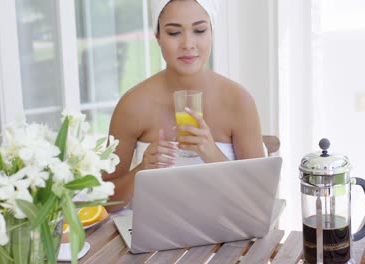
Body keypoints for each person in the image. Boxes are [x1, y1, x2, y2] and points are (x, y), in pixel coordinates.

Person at [104, 0, 265, 212]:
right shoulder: (133, 105)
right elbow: (104, 202)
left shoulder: (238, 101)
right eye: (173, 33)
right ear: (158, 36)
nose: (188, 44)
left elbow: (259, 201)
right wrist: (142, 170)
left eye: (199, 30)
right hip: (153, 236)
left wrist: (211, 153)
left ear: (211, 32)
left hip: (227, 237)